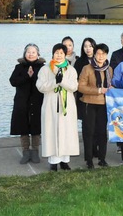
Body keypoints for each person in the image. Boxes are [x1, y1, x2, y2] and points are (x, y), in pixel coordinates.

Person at [36, 43, 79, 171]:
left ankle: (65, 160)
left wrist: (62, 81)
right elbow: (40, 86)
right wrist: (55, 81)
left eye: (61, 53)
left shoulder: (71, 69)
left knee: (66, 131)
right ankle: (53, 161)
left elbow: (74, 86)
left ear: (65, 55)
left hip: (67, 105)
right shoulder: (45, 69)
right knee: (51, 131)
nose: (59, 55)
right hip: (51, 103)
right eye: (56, 53)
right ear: (53, 54)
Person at [9, 43, 45, 164]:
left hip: (37, 101)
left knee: (36, 127)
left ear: (38, 54)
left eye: (33, 52)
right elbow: (13, 81)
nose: (30, 54)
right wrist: (26, 76)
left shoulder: (43, 67)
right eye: (28, 52)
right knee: (22, 126)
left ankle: (35, 151)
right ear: (25, 54)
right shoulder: (19, 67)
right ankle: (25, 151)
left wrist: (33, 76)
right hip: (22, 101)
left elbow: (45, 83)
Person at [78, 43, 113, 169]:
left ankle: (102, 158)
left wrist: (111, 88)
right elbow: (80, 87)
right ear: (95, 54)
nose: (100, 56)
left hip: (104, 105)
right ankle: (89, 160)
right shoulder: (87, 68)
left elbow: (110, 85)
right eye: (98, 53)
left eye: (103, 53)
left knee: (102, 133)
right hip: (89, 103)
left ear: (106, 55)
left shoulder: (109, 69)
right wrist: (98, 90)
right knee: (89, 132)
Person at [74, 37, 97, 120]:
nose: (88, 49)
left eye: (90, 46)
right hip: (83, 93)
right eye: (85, 46)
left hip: (97, 92)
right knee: (85, 118)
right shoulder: (79, 61)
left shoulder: (100, 60)